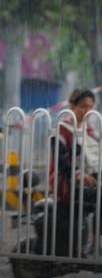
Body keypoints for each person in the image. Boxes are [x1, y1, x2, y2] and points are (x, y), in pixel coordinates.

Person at [48, 88, 97, 256]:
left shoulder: (89, 130)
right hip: (65, 183)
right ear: (72, 106)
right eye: (83, 106)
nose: (87, 111)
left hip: (86, 181)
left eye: (90, 107)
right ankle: (96, 245)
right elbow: (60, 161)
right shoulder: (62, 129)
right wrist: (77, 174)